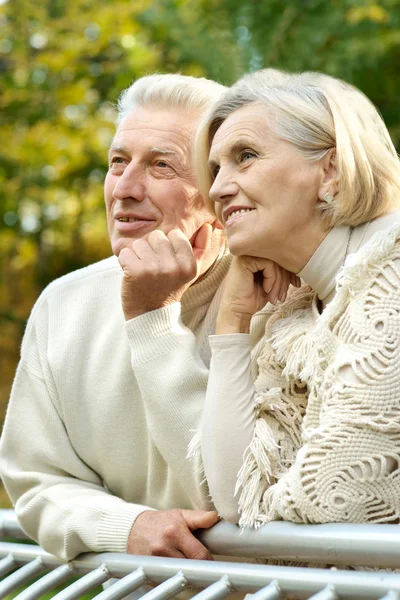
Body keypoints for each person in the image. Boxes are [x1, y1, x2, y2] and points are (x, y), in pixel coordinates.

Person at [0, 73, 246, 562]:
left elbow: (235, 493)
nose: (126, 188)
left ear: (218, 190)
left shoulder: (276, 295)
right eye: (118, 162)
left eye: (161, 165)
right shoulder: (64, 304)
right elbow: (35, 481)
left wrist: (154, 316)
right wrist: (124, 525)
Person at [193, 68, 400, 528]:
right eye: (215, 169)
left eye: (244, 156)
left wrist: (270, 514)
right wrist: (232, 321)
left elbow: (335, 496)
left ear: (330, 171)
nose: (217, 189)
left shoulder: (392, 277)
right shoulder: (297, 314)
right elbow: (234, 500)